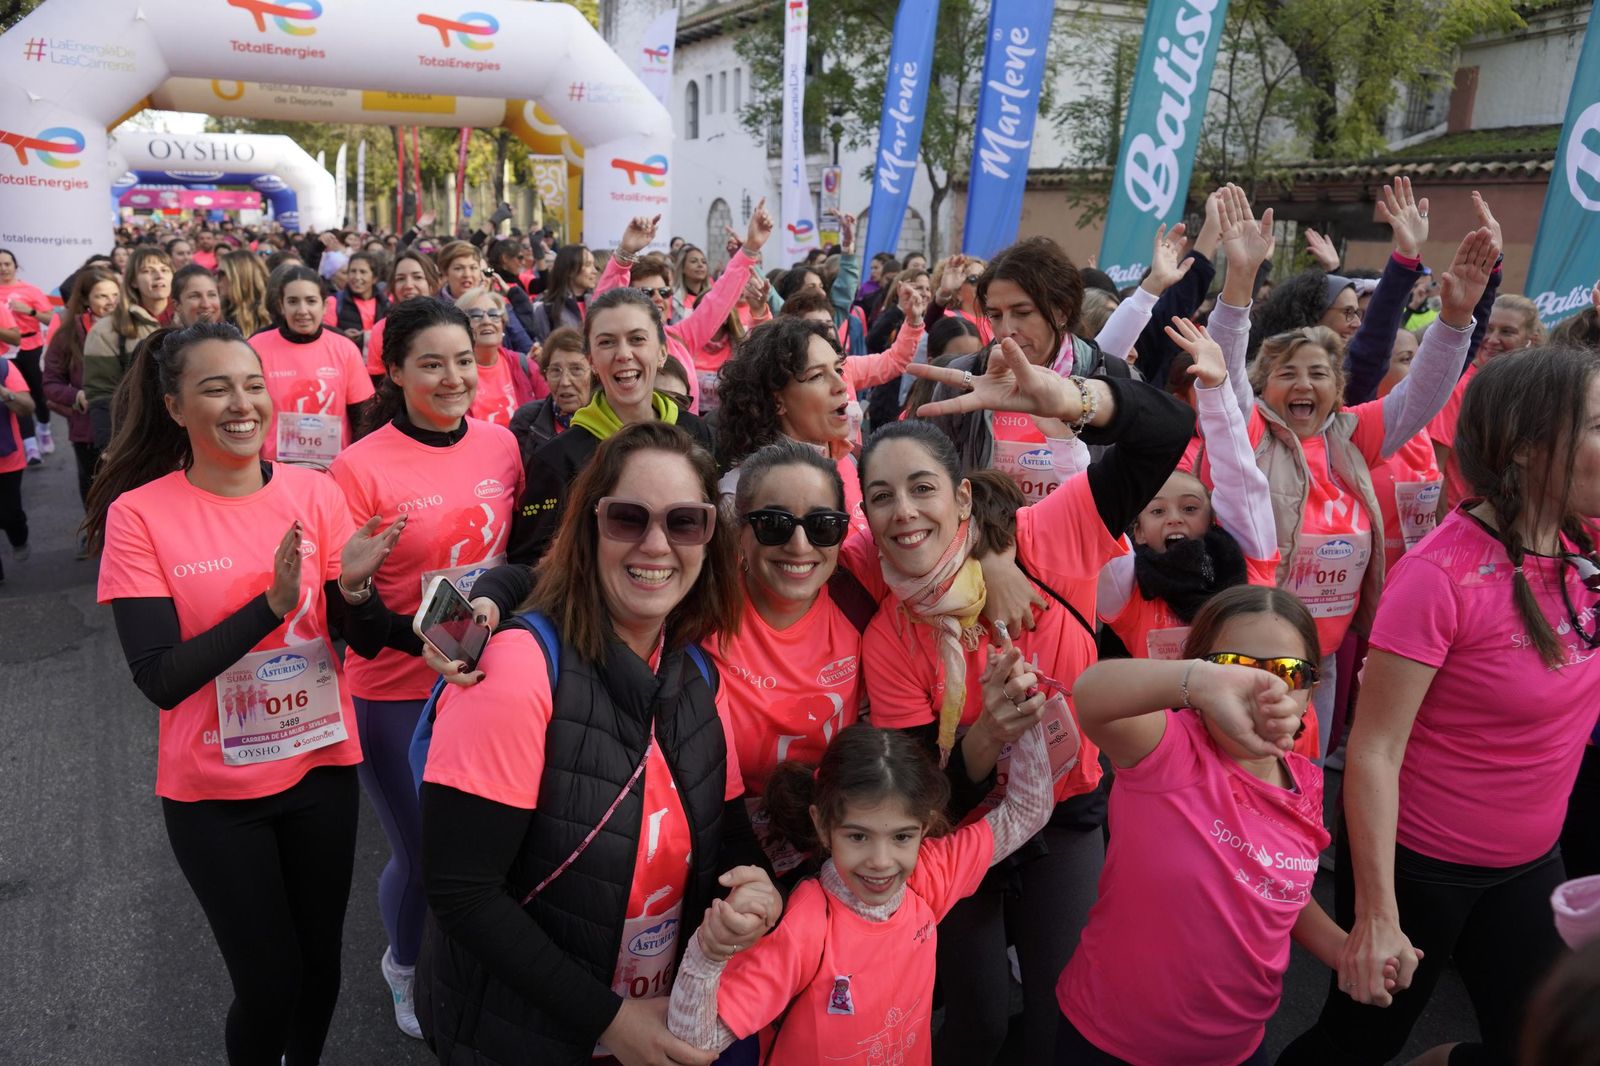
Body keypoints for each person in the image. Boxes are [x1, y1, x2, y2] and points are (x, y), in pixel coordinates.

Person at [863, 345, 1194, 1066]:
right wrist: (983, 738)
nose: (904, 511)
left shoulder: (1051, 534)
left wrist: (1070, 398)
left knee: (1061, 1009)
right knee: (976, 1020)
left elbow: (1166, 427)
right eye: (881, 496)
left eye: (923, 487)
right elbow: (920, 795)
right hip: (961, 835)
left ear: (962, 499)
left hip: (1068, 809)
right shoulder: (889, 636)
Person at [85, 321, 406, 1065]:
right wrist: (268, 605)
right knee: (268, 983)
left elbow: (350, 636)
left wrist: (354, 588)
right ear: (173, 406)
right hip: (214, 797)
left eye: (253, 384)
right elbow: (160, 678)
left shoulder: (314, 492)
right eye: (216, 387)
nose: (242, 403)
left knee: (320, 967)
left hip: (319, 770)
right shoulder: (141, 517)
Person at [1277, 346, 1600, 1066]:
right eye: (1598, 424)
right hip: (1423, 867)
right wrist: (1377, 918)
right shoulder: (1440, 577)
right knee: (1355, 1044)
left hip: (1530, 863)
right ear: (1523, 449)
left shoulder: (1584, 546)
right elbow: (1374, 749)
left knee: (1545, 1048)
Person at [418, 421, 778, 1064]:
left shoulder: (696, 673)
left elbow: (726, 833)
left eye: (685, 523)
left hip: (653, 1017)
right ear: (589, 527)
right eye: (628, 519)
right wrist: (610, 1021)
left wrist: (756, 889)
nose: (656, 545)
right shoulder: (519, 669)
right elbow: (461, 891)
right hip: (526, 1032)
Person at [1208, 188, 1495, 758]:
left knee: (1308, 787)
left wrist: (1458, 317)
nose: (1304, 386)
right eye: (1288, 373)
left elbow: (1426, 393)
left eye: (1319, 373)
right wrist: (1238, 284)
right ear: (1264, 386)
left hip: (1329, 656)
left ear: (1339, 389)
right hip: (1254, 654)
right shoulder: (1247, 429)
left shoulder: (1352, 434)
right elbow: (1219, 376)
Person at [1057, 586, 1383, 1066]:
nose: (1262, 688)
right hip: (1113, 1042)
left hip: (1235, 1048)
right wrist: (1200, 683)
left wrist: (1345, 952)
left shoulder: (1307, 781)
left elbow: (1275, 886)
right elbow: (1090, 695)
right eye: (1233, 667)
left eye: (1287, 672)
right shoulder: (1167, 751)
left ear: (1311, 688)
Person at [329, 299, 524, 1041]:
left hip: (484, 679)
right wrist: (432, 651)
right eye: (430, 364)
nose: (452, 378)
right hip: (397, 689)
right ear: (395, 370)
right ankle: (404, 965)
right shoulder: (358, 467)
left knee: (486, 848)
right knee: (424, 853)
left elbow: (511, 563)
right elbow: (354, 610)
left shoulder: (502, 447)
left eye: (463, 361)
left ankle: (466, 958)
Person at [667, 714, 1053, 1064]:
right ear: (822, 826)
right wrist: (709, 952)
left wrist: (1028, 713)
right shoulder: (807, 927)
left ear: (926, 826)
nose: (881, 861)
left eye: (902, 836)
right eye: (858, 836)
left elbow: (1028, 810)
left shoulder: (927, 877)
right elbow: (695, 1040)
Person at [926, 229, 1187, 504]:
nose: (1007, 329)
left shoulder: (1111, 378)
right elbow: (938, 484)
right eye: (995, 315)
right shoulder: (962, 381)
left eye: (1023, 313)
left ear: (1061, 311)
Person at [1096, 319, 1283, 669]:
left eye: (1190, 507)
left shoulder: (1249, 569)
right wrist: (1065, 443)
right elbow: (1095, 516)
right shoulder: (1131, 594)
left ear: (1213, 520)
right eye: (1156, 511)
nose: (1174, 518)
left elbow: (1239, 480)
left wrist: (1216, 390)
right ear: (1136, 531)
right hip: (1165, 725)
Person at [506, 288, 713, 565]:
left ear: (662, 352)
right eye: (607, 343)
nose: (623, 354)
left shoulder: (698, 434)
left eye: (637, 339)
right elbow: (528, 564)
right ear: (591, 359)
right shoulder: (557, 459)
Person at [594, 205, 774, 412]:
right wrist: (625, 253)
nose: (657, 299)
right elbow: (603, 311)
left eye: (664, 292)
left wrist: (751, 248)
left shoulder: (680, 338)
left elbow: (718, 299)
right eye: (646, 292)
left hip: (685, 442)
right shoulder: (615, 348)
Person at [1429, 291, 1545, 512]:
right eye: (1488, 328)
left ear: (1531, 339)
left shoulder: (1536, 389)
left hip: (1511, 524)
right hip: (1464, 522)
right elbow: (1435, 467)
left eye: (1507, 332)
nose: (1492, 340)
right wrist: (1444, 531)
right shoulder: (1458, 385)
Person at [250, 265, 374, 467]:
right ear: (282, 305)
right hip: (273, 473)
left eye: (311, 301)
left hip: (333, 471)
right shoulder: (256, 347)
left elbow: (363, 418)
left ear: (324, 306)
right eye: (293, 301)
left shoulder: (344, 348)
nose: (302, 311)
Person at [43, 267, 120, 515]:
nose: (111, 302)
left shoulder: (133, 328)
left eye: (115, 294)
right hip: (88, 428)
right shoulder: (68, 335)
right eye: (102, 296)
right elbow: (50, 383)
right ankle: (95, 531)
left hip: (129, 424)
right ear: (86, 299)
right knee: (94, 485)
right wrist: (76, 396)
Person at [84, 246, 173, 451]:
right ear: (132, 281)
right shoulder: (107, 330)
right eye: (148, 270)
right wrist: (111, 448)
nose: (159, 275)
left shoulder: (190, 320)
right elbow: (102, 394)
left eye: (165, 269)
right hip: (139, 440)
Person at [455, 287, 546, 427]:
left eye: (493, 314)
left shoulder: (523, 364)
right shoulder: (453, 373)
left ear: (503, 325)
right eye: (476, 315)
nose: (486, 321)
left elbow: (551, 409)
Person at [0, 248, 56, 460]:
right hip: (5, 353)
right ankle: (30, 445)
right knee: (16, 395)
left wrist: (29, 311)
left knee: (38, 393)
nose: (4, 268)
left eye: (7, 263)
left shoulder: (31, 290)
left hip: (31, 345)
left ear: (15, 266)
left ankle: (44, 429)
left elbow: (51, 320)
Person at [436, 241, 533, 355]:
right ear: (445, 273)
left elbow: (525, 346)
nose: (467, 274)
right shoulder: (435, 310)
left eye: (473, 268)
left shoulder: (496, 305)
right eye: (458, 268)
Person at [508, 326, 591, 460]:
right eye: (555, 371)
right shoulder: (526, 420)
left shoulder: (612, 421)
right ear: (545, 376)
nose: (565, 382)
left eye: (576, 369)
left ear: (594, 373)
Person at [366, 251, 441, 386]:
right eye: (400, 279)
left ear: (431, 283)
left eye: (417, 277)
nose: (408, 285)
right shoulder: (381, 330)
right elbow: (376, 382)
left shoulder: (449, 324)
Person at [0, 347, 34, 579]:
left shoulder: (3, 367)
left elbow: (28, 406)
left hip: (6, 458)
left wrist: (4, 392)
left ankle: (19, 538)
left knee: (10, 516)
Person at [529, 244, 597, 342]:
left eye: (593, 265)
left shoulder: (598, 304)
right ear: (570, 270)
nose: (594, 271)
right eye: (587, 265)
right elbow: (543, 350)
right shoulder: (546, 309)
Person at [325, 251, 389, 355]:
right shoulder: (334, 302)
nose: (357, 277)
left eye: (363, 272)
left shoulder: (385, 303)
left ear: (374, 278)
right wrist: (343, 336)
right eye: (353, 271)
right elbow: (324, 336)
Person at [219, 250, 272, 340]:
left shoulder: (269, 316)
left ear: (241, 277)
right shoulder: (219, 314)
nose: (218, 278)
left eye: (222, 273)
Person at [674, 244, 711, 310]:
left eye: (704, 262)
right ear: (682, 268)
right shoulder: (674, 299)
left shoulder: (712, 297)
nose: (700, 265)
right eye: (693, 261)